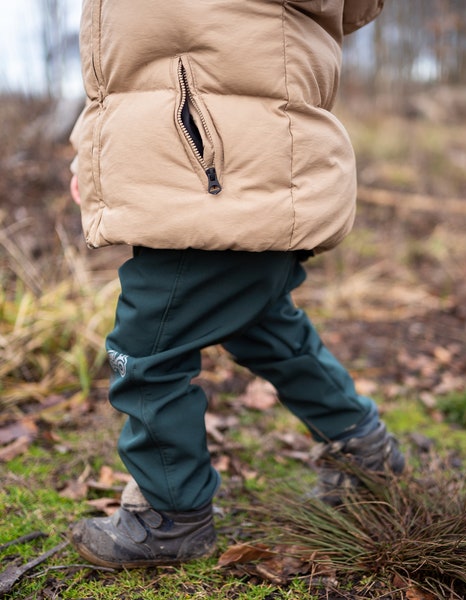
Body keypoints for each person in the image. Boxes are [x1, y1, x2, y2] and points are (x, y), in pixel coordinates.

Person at [68, 0, 404, 569]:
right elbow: (133, 68)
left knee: (145, 349)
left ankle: (170, 516)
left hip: (222, 172)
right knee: (262, 323)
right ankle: (364, 449)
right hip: (215, 169)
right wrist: (97, 153)